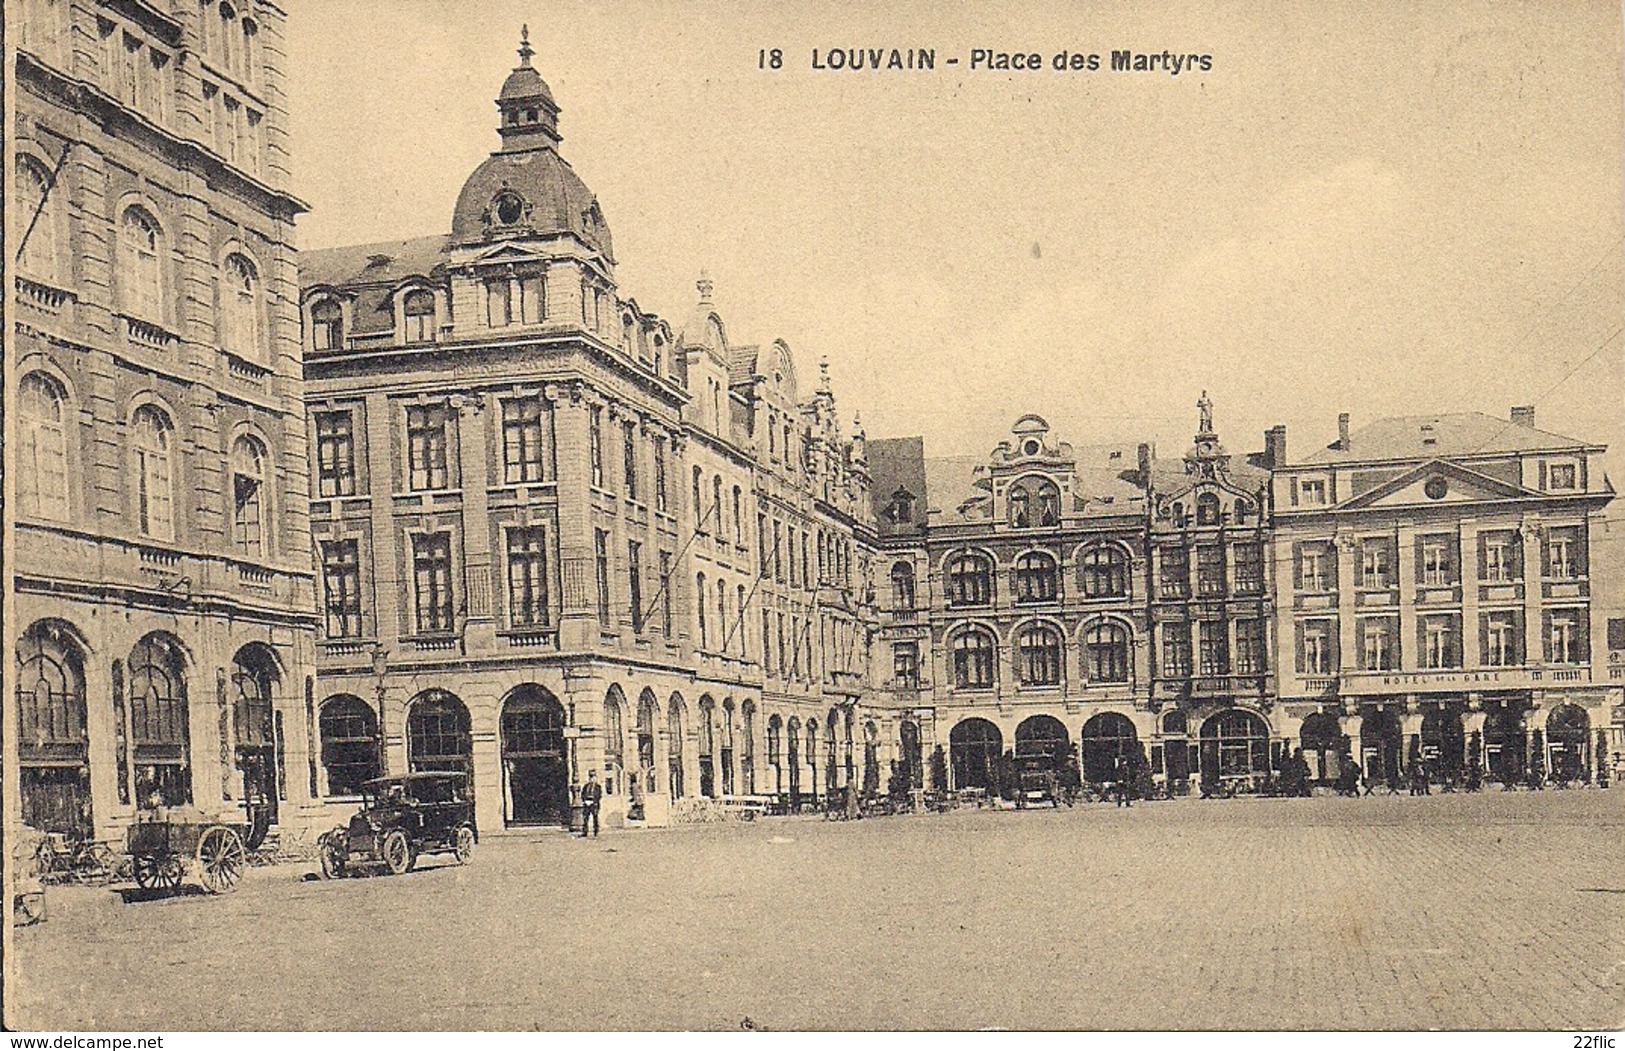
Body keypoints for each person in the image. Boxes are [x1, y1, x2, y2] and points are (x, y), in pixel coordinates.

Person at [579, 769, 603, 838]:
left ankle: (596, 831)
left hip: (594, 804)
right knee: (585, 818)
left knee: (595, 818)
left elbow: (599, 795)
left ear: (595, 778)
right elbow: (583, 794)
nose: (592, 779)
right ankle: (585, 832)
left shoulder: (598, 787)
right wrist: (584, 801)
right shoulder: (586, 786)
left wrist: (594, 802)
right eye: (590, 777)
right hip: (587, 803)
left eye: (593, 777)